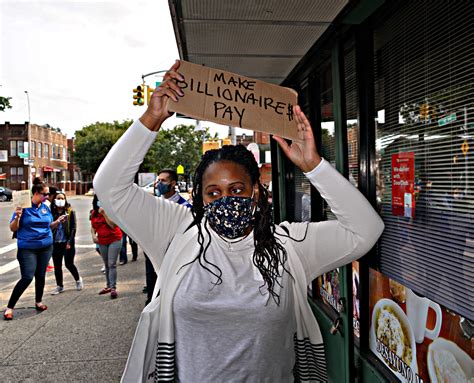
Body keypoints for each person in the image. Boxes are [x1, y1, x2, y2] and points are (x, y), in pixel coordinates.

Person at [93, 61, 384, 381]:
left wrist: (313, 165)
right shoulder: (177, 231)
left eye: (237, 189)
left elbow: (366, 230)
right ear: (200, 197)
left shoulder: (289, 246)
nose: (226, 200)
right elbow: (109, 187)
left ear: (256, 192)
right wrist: (152, 118)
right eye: (213, 193)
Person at [4, 180, 67, 320]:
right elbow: (13, 228)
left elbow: (48, 226)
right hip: (28, 248)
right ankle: (10, 307)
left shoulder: (45, 207)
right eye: (45, 194)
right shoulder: (23, 207)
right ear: (36, 193)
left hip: (46, 247)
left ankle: (38, 301)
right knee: (27, 277)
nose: (47, 197)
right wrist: (18, 217)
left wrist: (57, 222)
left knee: (41, 276)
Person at [143, 169, 192, 305]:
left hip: (173, 254)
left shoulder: (185, 207)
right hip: (153, 252)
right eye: (158, 180)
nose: (159, 183)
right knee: (152, 284)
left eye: (163, 181)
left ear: (173, 183)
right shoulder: (153, 204)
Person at [49, 192, 83, 295]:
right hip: (55, 243)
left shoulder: (70, 212)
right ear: (54, 200)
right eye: (58, 198)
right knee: (57, 265)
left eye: (62, 198)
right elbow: (49, 227)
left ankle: (78, 280)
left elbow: (73, 228)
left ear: (65, 199)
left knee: (69, 264)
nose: (60, 200)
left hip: (67, 243)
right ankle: (59, 286)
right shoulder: (51, 213)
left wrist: (69, 242)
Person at [90, 195, 122, 299]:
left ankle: (113, 288)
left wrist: (104, 214)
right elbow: (93, 227)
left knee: (112, 264)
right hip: (102, 241)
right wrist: (93, 235)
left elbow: (113, 225)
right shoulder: (94, 213)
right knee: (106, 264)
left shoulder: (111, 211)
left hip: (114, 239)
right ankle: (108, 286)